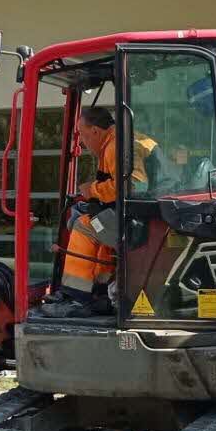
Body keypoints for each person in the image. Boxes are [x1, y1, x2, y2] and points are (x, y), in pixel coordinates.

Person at [41, 107, 162, 318]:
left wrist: (92, 190)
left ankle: (76, 296)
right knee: (96, 221)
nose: (83, 143)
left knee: (85, 225)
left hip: (141, 222)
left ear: (96, 131)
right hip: (145, 214)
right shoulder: (128, 139)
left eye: (85, 136)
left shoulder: (116, 145)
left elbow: (132, 185)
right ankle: (100, 289)